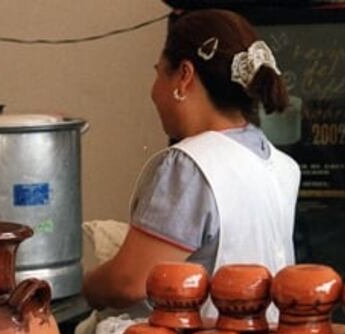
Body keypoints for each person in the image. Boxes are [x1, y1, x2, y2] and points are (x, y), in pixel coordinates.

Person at [82, 9, 300, 317]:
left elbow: (130, 282)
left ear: (184, 76)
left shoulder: (190, 167)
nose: (154, 92)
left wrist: (85, 287)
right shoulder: (280, 165)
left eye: (159, 73)